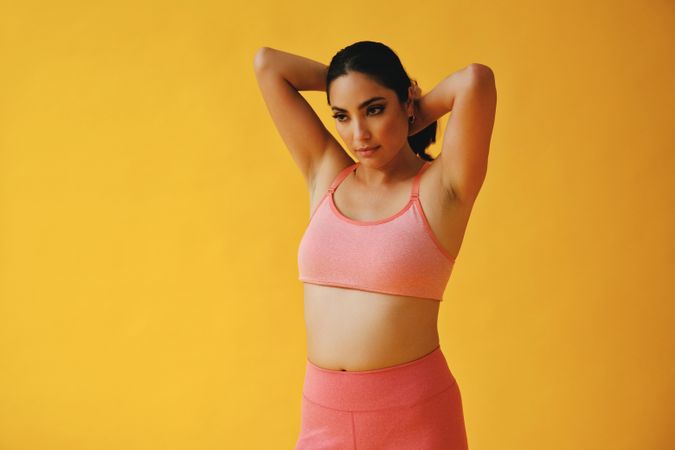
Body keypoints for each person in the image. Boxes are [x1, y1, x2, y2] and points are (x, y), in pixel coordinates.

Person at [253, 40, 496, 449]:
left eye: (375, 109)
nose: (358, 134)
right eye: (341, 115)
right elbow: (268, 64)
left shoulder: (443, 188)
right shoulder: (326, 172)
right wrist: (345, 84)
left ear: (407, 100)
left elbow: (475, 80)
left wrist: (414, 113)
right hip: (322, 416)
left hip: (415, 418)